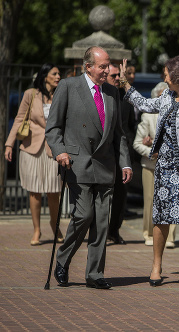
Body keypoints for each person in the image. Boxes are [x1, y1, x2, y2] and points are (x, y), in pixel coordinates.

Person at [119, 55, 179, 288]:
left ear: (177, 75)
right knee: (161, 216)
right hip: (165, 166)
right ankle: (156, 265)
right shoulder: (165, 97)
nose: (164, 76)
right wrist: (124, 82)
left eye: (166, 72)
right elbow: (144, 104)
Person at [45, 46, 133, 289]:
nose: (107, 71)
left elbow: (119, 135)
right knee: (83, 215)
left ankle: (94, 274)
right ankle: (63, 260)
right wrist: (59, 150)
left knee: (102, 223)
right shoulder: (68, 87)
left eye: (108, 66)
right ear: (88, 67)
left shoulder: (113, 93)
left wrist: (125, 162)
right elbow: (53, 127)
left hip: (105, 167)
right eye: (103, 66)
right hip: (77, 163)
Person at [4, 63, 63, 246]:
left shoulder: (62, 94)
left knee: (54, 191)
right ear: (45, 76)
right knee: (35, 192)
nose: (58, 76)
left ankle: (54, 224)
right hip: (31, 148)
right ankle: (36, 230)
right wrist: (9, 144)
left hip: (54, 149)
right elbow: (20, 118)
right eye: (54, 73)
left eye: (59, 73)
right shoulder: (31, 94)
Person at [133, 82, 176, 247]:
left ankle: (170, 237)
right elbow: (137, 143)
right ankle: (149, 234)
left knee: (171, 202)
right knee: (150, 201)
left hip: (172, 166)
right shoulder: (148, 116)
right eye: (162, 96)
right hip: (151, 166)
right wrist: (152, 152)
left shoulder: (176, 114)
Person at [107, 63, 137, 245]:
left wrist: (130, 147)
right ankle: (97, 232)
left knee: (120, 195)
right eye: (114, 76)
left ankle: (114, 231)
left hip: (122, 154)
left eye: (119, 76)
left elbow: (131, 126)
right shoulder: (99, 96)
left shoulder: (125, 99)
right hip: (103, 155)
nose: (117, 79)